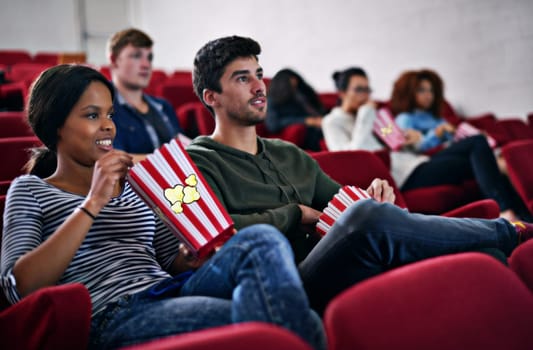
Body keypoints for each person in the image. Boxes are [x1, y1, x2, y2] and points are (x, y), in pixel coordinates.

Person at [186, 35, 533, 314]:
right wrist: (293, 215)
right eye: (242, 78)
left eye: (259, 74)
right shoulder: (198, 162)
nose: (259, 87)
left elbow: (346, 206)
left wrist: (373, 196)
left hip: (342, 258)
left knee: (488, 261)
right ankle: (513, 231)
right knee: (369, 219)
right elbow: (213, 240)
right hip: (288, 285)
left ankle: (502, 242)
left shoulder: (287, 152)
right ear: (211, 96)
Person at [0, 64, 325, 350]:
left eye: (110, 114)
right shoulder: (31, 190)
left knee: (261, 241)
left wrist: (191, 258)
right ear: (56, 125)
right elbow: (21, 286)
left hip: (170, 290)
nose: (108, 126)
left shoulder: (134, 186)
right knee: (286, 317)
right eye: (91, 115)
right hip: (112, 314)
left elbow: (173, 260)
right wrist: (93, 201)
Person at [322, 67, 526, 221]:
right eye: (359, 89)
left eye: (367, 89)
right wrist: (366, 115)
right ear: (342, 93)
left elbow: (392, 142)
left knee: (478, 146)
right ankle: (506, 212)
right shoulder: (333, 122)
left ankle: (520, 216)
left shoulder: (375, 117)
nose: (365, 95)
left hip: (415, 161)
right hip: (404, 175)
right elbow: (351, 156)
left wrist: (410, 140)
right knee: (481, 155)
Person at [389, 68, 527, 221]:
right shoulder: (405, 119)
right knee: (478, 143)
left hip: (444, 157)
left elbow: (451, 142)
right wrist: (435, 135)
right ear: (410, 92)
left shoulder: (435, 118)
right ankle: (504, 211)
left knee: (488, 161)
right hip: (420, 166)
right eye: (422, 90)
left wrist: (457, 134)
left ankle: (524, 217)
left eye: (431, 91)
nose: (429, 95)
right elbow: (411, 148)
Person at [107, 28, 189, 163]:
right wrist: (171, 160)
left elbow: (181, 146)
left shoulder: (163, 106)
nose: (146, 65)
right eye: (136, 56)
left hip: (174, 181)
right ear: (114, 60)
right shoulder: (105, 109)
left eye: (149, 58)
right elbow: (114, 160)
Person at [266, 68, 325, 151]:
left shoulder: (301, 94)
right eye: (290, 83)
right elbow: (273, 125)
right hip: (308, 131)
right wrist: (305, 120)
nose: (294, 83)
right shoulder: (273, 100)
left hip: (321, 122)